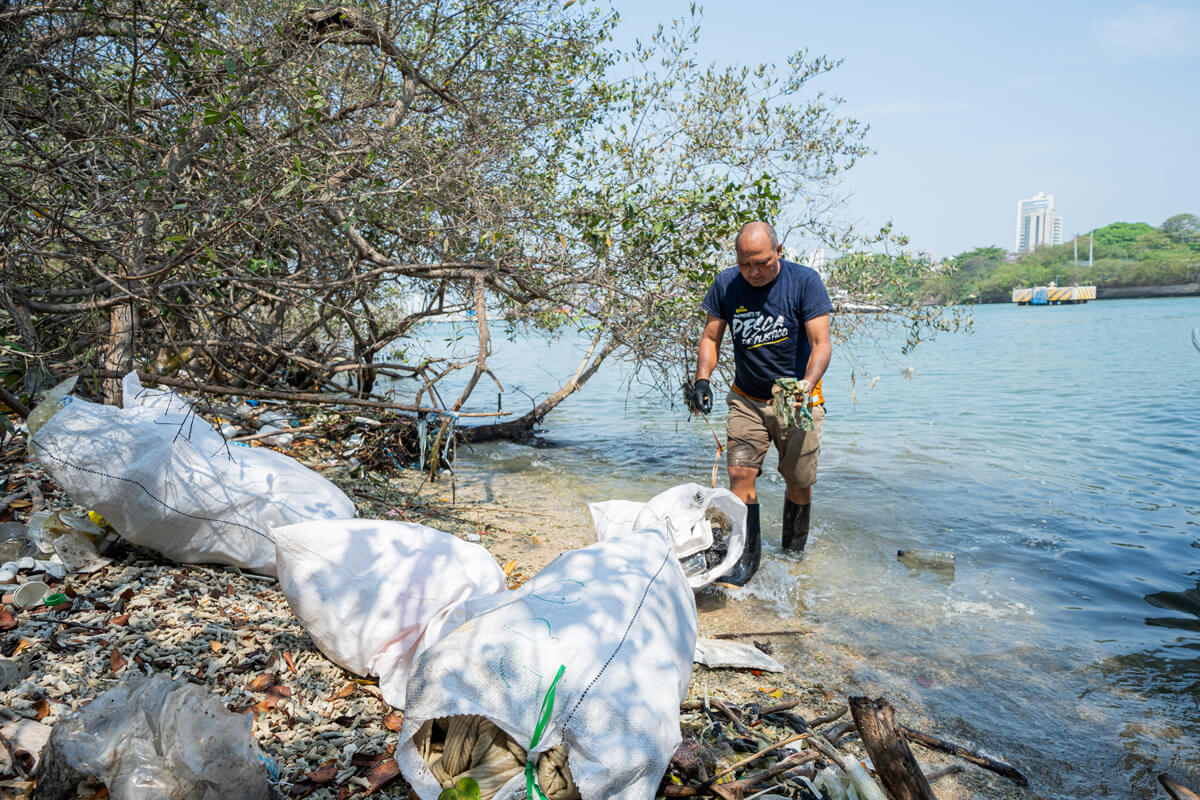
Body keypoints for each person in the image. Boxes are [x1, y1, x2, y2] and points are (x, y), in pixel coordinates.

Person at [685, 221, 832, 585]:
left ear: (778, 252)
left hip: (795, 398)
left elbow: (821, 344)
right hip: (747, 400)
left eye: (762, 263)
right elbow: (710, 336)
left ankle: (793, 559)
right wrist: (702, 378)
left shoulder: (805, 282)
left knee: (798, 482)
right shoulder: (726, 284)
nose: (753, 272)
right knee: (739, 475)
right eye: (745, 263)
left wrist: (806, 386)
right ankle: (743, 565)